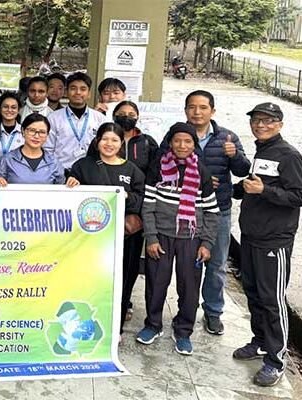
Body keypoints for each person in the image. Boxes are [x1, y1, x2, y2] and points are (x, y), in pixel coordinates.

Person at [232, 103, 302, 387]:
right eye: (256, 120)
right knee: (253, 293)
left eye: (268, 120)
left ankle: (276, 359)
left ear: (280, 124)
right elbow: (252, 184)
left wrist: (265, 190)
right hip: (250, 235)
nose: (260, 125)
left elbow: (297, 196)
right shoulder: (262, 151)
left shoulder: (289, 156)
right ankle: (260, 341)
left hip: (274, 240)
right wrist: (230, 188)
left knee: (272, 300)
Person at [137, 122, 219, 356]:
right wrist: (151, 237)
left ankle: (183, 330)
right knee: (156, 283)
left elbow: (211, 211)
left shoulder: (202, 172)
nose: (182, 145)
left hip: (191, 239)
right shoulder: (158, 168)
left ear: (194, 145)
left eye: (188, 141)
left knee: (190, 286)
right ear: (170, 142)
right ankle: (152, 325)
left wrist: (206, 243)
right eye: (177, 140)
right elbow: (148, 205)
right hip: (161, 236)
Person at [175, 90, 250, 336]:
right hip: (186, 209)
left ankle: (213, 312)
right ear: (185, 110)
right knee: (187, 264)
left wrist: (234, 154)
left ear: (212, 111)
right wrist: (198, 180)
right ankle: (185, 308)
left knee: (216, 264)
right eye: (192, 107)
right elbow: (164, 168)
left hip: (218, 210)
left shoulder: (227, 137)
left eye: (203, 107)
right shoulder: (177, 136)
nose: (197, 112)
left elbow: (242, 171)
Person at [66, 123, 145, 333]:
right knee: (89, 281)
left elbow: (141, 201)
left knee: (122, 281)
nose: (109, 144)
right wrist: (71, 184)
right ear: (97, 141)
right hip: (90, 239)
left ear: (121, 143)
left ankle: (115, 329)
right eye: (105, 139)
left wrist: (126, 197)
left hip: (125, 239)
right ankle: (84, 325)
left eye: (114, 140)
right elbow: (71, 199)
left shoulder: (132, 170)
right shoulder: (82, 166)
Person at [112, 100, 159, 322]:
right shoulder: (107, 139)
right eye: (122, 113)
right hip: (107, 211)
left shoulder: (148, 142)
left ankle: (125, 301)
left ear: (138, 117)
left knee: (129, 263)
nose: (127, 117)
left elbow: (154, 174)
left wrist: (141, 207)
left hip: (135, 211)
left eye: (131, 113)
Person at [45, 72, 106, 170]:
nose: (78, 92)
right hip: (62, 173)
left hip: (91, 172)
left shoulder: (100, 119)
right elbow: (47, 149)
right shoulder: (53, 118)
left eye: (83, 89)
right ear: (66, 92)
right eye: (73, 88)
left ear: (89, 93)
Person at [0, 114, 63, 186]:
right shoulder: (7, 160)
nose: (36, 136)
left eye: (42, 132)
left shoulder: (54, 162)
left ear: (47, 135)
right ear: (23, 131)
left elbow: (60, 190)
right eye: (32, 130)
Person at [0, 92, 23, 166]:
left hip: (16, 175)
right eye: (5, 107)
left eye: (13, 107)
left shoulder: (24, 132)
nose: (9, 110)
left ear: (18, 110)